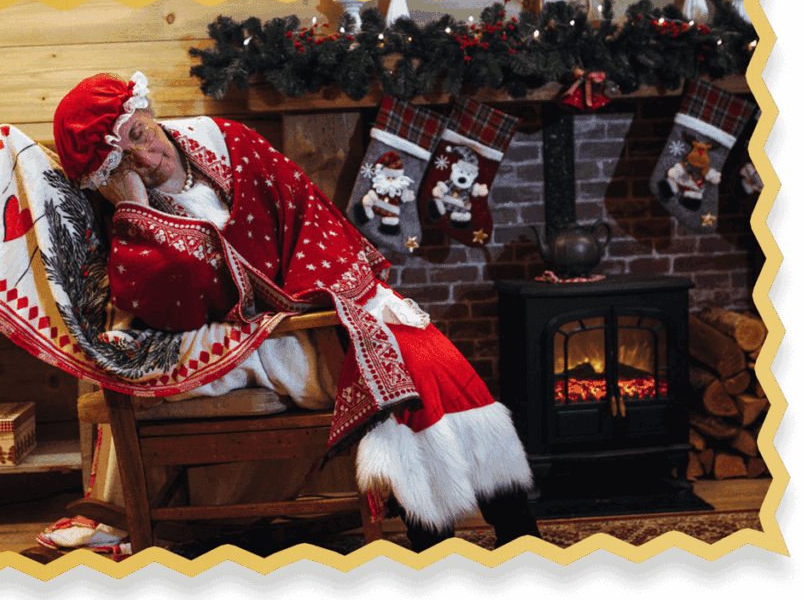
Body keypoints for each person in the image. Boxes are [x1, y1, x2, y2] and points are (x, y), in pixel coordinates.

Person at [52, 71, 541, 551]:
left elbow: (306, 207)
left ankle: (476, 532)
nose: (144, 157)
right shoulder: (127, 219)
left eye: (140, 134)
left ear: (148, 112)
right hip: (245, 338)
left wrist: (332, 292)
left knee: (428, 355)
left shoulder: (228, 143)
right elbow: (180, 301)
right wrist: (139, 213)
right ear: (107, 175)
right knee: (401, 367)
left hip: (309, 307)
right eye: (122, 159)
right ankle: (470, 535)